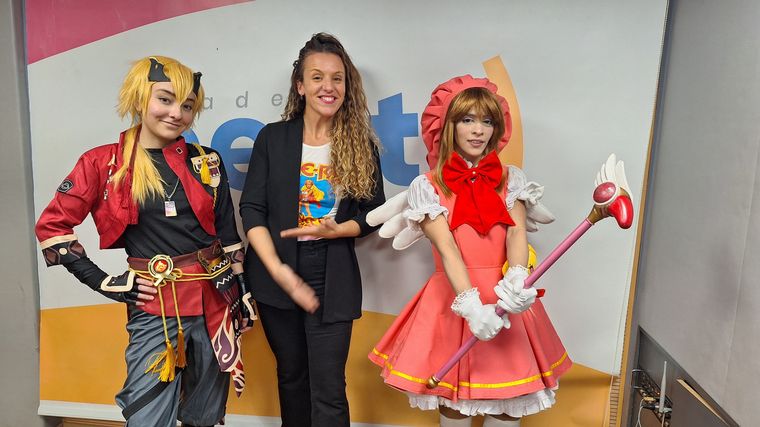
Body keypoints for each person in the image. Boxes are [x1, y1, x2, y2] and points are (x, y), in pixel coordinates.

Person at [34, 56, 254, 427]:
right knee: (147, 414)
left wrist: (242, 290)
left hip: (215, 298)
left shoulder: (208, 162)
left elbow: (227, 234)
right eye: (165, 99)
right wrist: (104, 281)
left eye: (187, 105)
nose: (176, 113)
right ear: (139, 99)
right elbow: (52, 227)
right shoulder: (103, 163)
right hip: (155, 302)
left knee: (205, 413)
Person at [367, 75, 571, 427]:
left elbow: (516, 233)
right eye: (467, 120)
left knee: (509, 402)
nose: (478, 130)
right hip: (455, 297)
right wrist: (472, 308)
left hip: (506, 297)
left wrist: (517, 278)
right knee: (455, 404)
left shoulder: (511, 179)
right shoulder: (427, 187)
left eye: (487, 121)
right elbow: (448, 251)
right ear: (448, 126)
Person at [239, 32, 385, 427]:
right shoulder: (273, 138)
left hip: (331, 271)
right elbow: (252, 208)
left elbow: (373, 211)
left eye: (337, 78)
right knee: (292, 377)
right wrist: (277, 269)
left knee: (328, 387)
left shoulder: (361, 144)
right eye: (317, 77)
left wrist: (338, 231)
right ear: (300, 85)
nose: (328, 87)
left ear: (347, 86)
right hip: (275, 269)